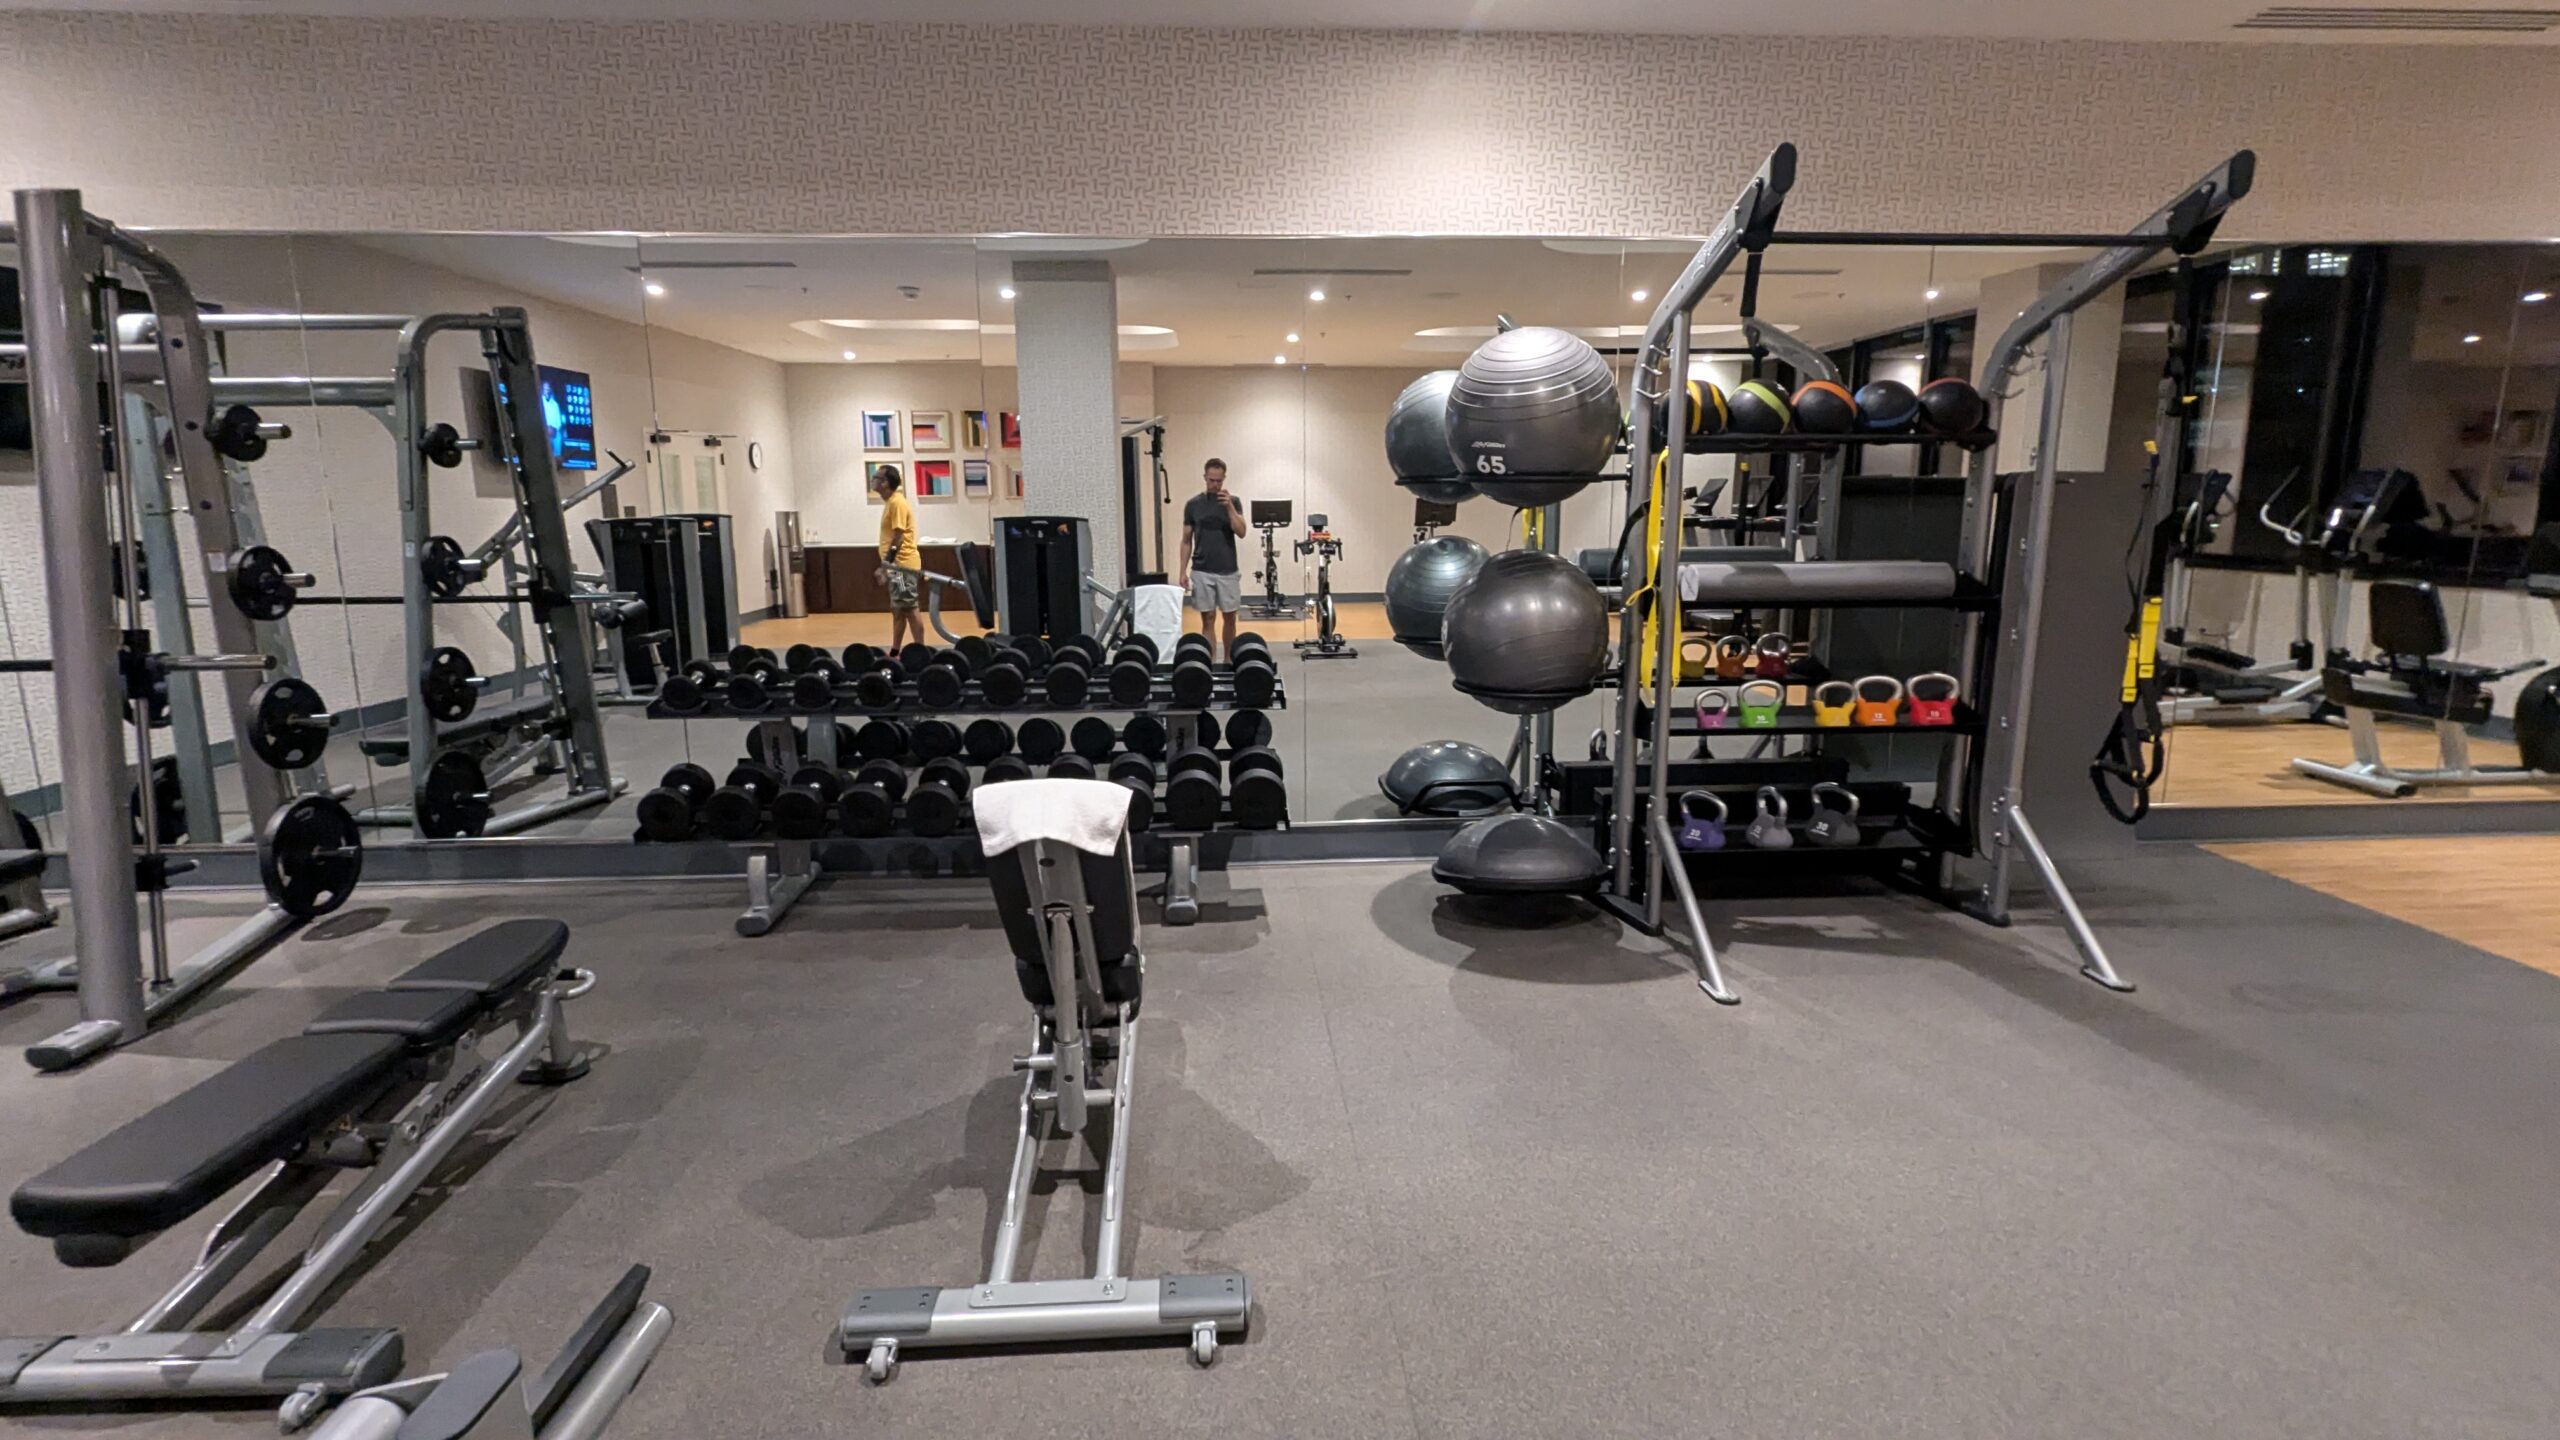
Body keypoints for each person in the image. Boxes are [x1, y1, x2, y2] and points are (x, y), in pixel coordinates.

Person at [1176, 458, 1246, 661]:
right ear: (1205, 478)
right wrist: (1182, 571)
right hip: (1202, 569)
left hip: (1228, 569)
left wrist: (1230, 507)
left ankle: (1228, 661)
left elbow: (1241, 532)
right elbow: (1186, 540)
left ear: (1224, 479)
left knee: (1230, 618)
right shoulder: (1193, 505)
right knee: (1208, 618)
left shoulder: (1234, 502)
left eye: (1219, 481)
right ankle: (1211, 661)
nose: (1215, 485)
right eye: (1211, 480)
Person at [873, 465, 924, 653]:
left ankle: (920, 651)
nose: (873, 480)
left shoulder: (897, 503)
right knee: (899, 610)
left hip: (901, 567)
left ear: (886, 483)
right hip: (897, 567)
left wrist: (886, 565)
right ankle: (895, 650)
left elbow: (899, 537)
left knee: (909, 608)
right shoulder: (891, 502)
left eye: (877, 477)